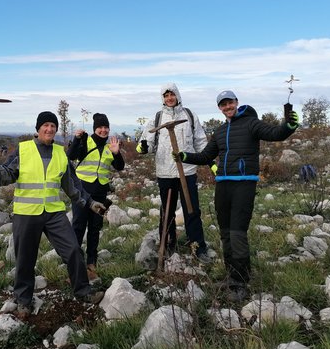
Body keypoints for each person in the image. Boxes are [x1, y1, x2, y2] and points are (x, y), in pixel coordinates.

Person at [175, 90, 299, 301]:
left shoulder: (251, 123)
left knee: (237, 232)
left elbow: (275, 133)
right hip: (223, 185)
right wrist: (185, 156)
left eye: (230, 103)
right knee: (225, 232)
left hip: (244, 184)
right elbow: (206, 155)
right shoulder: (221, 131)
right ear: (220, 108)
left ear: (236, 103)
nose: (227, 107)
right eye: (223, 105)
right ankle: (231, 276)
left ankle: (241, 281)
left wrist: (288, 126)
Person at [0, 111, 106, 315]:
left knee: (73, 250)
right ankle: (23, 300)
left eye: (53, 126)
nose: (49, 129)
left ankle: (83, 291)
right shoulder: (23, 150)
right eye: (45, 125)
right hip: (26, 213)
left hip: (53, 213)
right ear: (38, 128)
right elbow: (7, 176)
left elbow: (73, 186)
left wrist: (90, 202)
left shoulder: (60, 153)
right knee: (25, 258)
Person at [136, 82, 211, 264]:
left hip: (187, 170)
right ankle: (169, 243)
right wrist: (143, 147)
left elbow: (200, 141)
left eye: (172, 95)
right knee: (167, 211)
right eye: (166, 95)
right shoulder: (157, 118)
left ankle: (198, 246)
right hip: (165, 172)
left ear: (177, 96)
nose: (169, 98)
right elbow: (145, 143)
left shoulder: (190, 116)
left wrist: (209, 159)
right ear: (163, 98)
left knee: (192, 210)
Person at [67, 113, 124, 280]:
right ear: (95, 128)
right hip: (81, 191)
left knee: (94, 228)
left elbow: (119, 166)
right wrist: (77, 139)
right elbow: (71, 156)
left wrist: (116, 153)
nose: (103, 130)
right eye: (100, 127)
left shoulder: (109, 147)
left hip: (100, 193)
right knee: (78, 227)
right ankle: (76, 266)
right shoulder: (86, 140)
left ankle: (92, 263)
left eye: (106, 127)